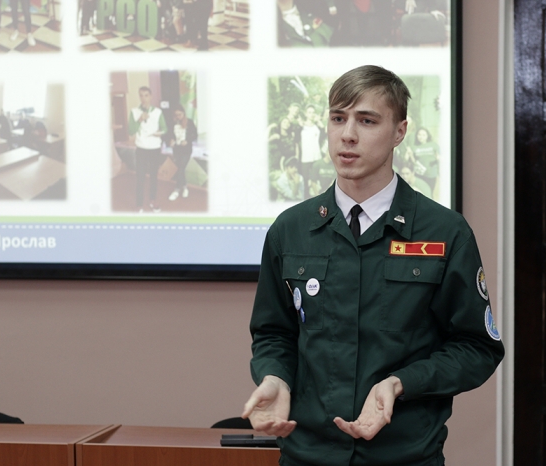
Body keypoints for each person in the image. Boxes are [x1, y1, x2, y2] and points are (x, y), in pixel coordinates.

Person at [242, 65, 504, 465]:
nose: (347, 134)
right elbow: (274, 333)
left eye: (367, 120)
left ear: (400, 131)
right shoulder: (290, 230)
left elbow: (476, 347)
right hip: (308, 454)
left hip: (404, 455)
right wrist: (275, 377)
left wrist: (401, 383)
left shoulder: (445, 232)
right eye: (338, 118)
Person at [128, 86, 167, 212]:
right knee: (140, 177)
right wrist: (140, 119)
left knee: (154, 176)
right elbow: (131, 131)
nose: (143, 98)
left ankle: (152, 200)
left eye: (146, 95)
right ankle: (139, 204)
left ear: (151, 96)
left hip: (155, 148)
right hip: (141, 148)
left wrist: (159, 133)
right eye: (141, 95)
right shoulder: (134, 111)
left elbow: (165, 128)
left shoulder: (158, 112)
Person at [166, 103, 197, 201]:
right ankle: (185, 187)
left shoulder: (189, 122)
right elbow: (168, 135)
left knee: (180, 168)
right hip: (176, 150)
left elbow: (195, 135)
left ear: (183, 113)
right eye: (176, 115)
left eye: (180, 114)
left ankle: (176, 190)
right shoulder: (172, 123)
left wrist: (187, 141)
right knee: (181, 169)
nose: (178, 117)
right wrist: (170, 140)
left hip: (186, 150)